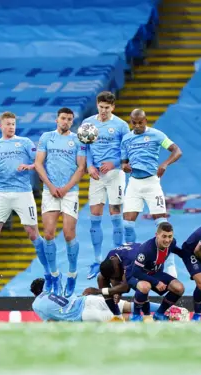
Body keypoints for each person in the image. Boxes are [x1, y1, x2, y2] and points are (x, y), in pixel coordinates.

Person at [0, 111, 49, 282]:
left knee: (32, 233)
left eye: (13, 124)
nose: (11, 127)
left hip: (23, 193)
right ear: (1, 126)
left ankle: (48, 269)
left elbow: (40, 162)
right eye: (8, 124)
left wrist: (29, 166)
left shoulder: (24, 142)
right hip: (2, 193)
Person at [120, 109, 183, 277]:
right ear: (131, 122)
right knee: (127, 225)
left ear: (145, 120)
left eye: (141, 122)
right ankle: (131, 263)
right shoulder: (126, 139)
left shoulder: (157, 135)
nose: (138, 125)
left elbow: (177, 151)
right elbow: (124, 163)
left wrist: (165, 164)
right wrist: (125, 166)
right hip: (133, 183)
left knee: (162, 224)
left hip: (151, 183)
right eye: (135, 123)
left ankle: (170, 266)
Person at [34, 107, 87, 297]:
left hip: (70, 192)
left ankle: (72, 274)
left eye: (69, 119)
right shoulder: (46, 137)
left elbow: (81, 168)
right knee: (48, 234)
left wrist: (65, 188)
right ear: (57, 119)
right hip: (50, 191)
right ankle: (55, 276)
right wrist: (49, 185)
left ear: (72, 122)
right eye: (63, 118)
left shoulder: (78, 140)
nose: (66, 121)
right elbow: (38, 163)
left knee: (68, 233)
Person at [82, 91, 130, 280]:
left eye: (106, 108)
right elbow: (85, 148)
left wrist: (114, 163)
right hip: (96, 176)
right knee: (95, 216)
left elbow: (128, 151)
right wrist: (89, 165)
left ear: (113, 107)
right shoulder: (88, 123)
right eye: (100, 107)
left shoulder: (121, 125)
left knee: (115, 214)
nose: (103, 111)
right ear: (97, 105)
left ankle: (118, 259)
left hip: (115, 175)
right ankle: (97, 260)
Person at [30, 278, 188, 322]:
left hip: (84, 315)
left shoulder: (37, 304)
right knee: (127, 305)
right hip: (87, 301)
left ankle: (169, 320)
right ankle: (172, 310)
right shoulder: (54, 288)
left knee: (121, 318)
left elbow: (51, 323)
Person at [128, 222, 185, 321]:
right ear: (157, 235)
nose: (167, 240)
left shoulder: (172, 243)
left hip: (155, 273)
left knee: (179, 288)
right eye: (164, 236)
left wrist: (188, 255)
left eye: (169, 236)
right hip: (135, 275)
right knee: (145, 286)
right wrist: (156, 282)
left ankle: (159, 314)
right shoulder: (146, 250)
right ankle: (136, 316)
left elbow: (175, 250)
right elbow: (136, 272)